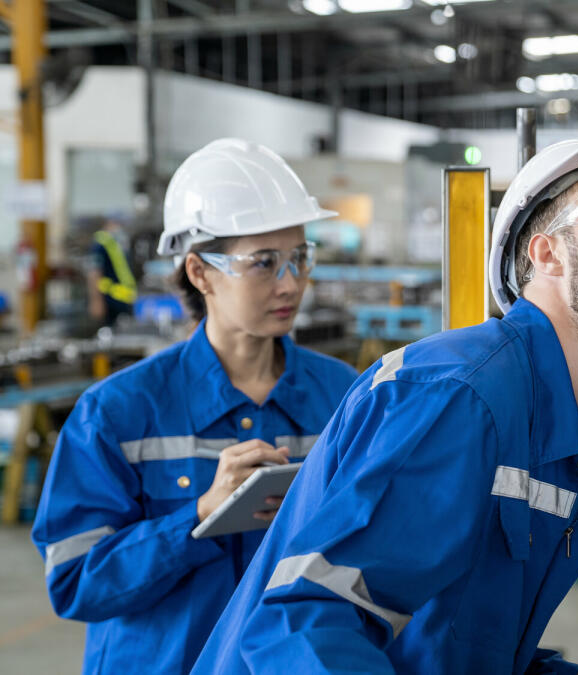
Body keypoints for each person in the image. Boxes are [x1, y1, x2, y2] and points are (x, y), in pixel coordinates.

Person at [192, 133, 578, 674]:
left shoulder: (575, 442)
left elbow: (458, 650)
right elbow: (304, 632)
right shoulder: (461, 396)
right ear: (548, 254)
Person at [32, 138, 359, 674]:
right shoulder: (117, 412)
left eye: (300, 258)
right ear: (200, 272)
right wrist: (200, 515)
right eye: (264, 263)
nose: (292, 283)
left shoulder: (342, 397)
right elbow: (74, 584)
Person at [87, 213, 137, 326]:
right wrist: (96, 300)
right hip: (108, 300)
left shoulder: (116, 244)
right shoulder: (100, 243)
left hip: (123, 299)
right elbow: (94, 273)